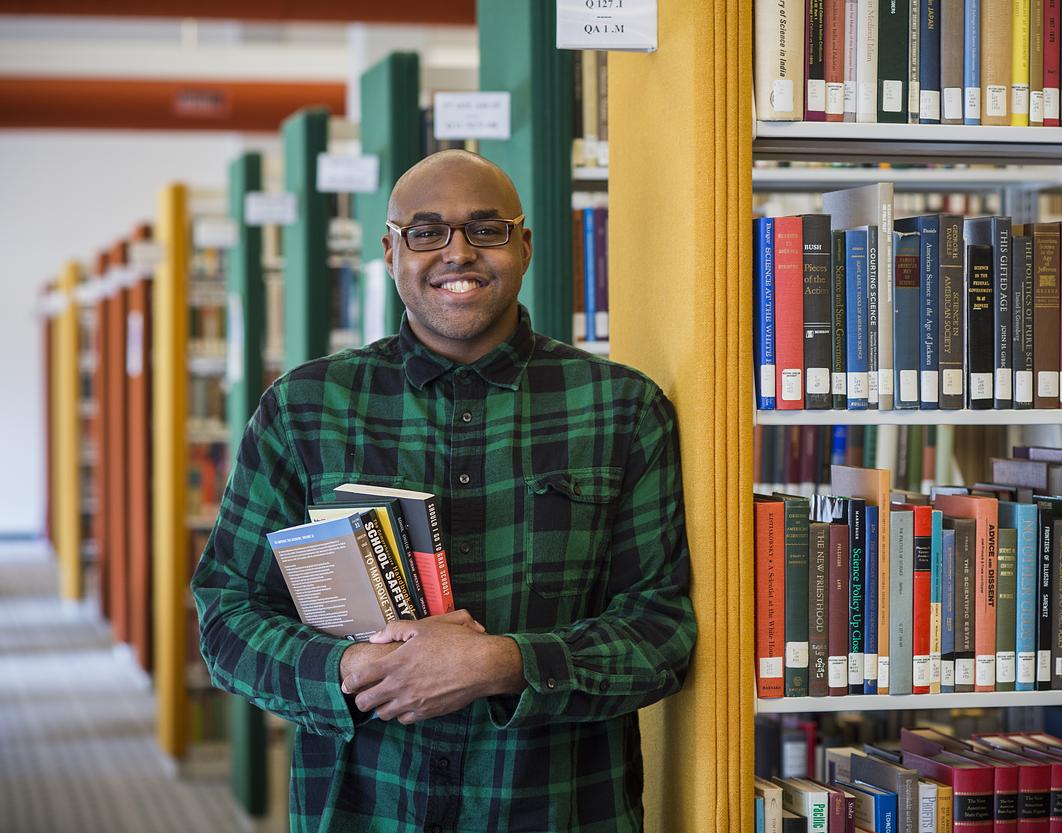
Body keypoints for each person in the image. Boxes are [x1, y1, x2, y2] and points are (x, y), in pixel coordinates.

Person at [191, 149, 697, 833]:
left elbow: (661, 631)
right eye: (426, 231)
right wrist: (350, 669)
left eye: (485, 229)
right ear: (390, 251)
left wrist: (504, 663)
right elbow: (227, 614)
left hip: (558, 807)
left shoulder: (622, 408)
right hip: (366, 808)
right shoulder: (305, 407)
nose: (457, 252)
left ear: (523, 245)